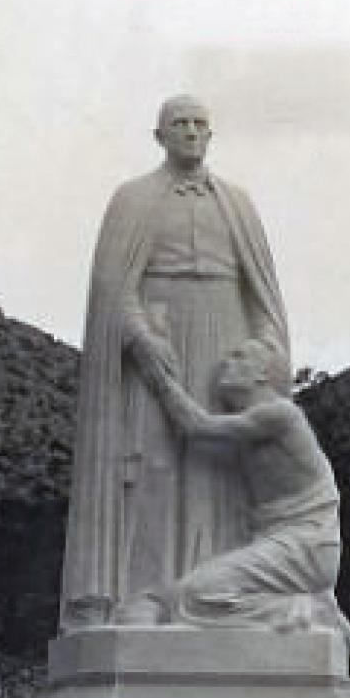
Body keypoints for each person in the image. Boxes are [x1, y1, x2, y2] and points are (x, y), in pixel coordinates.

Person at [59, 95, 291, 630]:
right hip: (160, 340)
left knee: (223, 464)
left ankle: (221, 593)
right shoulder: (134, 199)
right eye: (179, 124)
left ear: (211, 135)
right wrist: (139, 337)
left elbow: (264, 296)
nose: (190, 132)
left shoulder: (238, 203)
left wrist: (267, 353)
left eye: (199, 124)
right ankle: (146, 595)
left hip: (226, 340)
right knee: (154, 466)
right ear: (159, 136)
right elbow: (114, 287)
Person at [142, 340, 350, 645]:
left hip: (306, 546)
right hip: (289, 543)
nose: (226, 363)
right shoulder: (251, 428)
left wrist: (158, 377)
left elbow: (196, 425)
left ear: (262, 375)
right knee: (191, 596)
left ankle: (310, 613)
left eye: (238, 355)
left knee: (195, 596)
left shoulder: (279, 415)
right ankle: (303, 609)